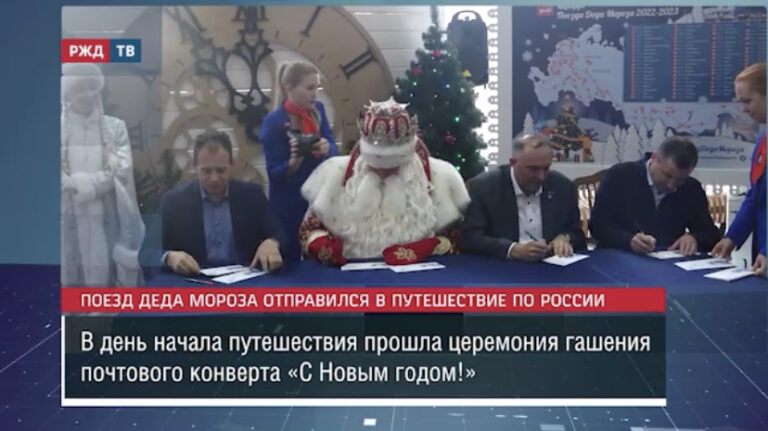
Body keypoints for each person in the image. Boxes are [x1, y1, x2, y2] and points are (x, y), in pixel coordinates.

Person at [299, 98, 470, 265]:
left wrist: (428, 247)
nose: (383, 172)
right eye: (375, 166)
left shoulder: (439, 177)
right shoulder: (335, 174)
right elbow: (309, 230)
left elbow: (457, 237)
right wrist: (321, 245)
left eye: (392, 167)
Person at [60, 63, 145, 286]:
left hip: (108, 218)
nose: (87, 94)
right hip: (67, 220)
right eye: (80, 88)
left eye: (92, 87)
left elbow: (122, 170)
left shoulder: (115, 128)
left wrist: (82, 185)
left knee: (107, 276)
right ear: (68, 93)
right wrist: (69, 184)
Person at [159, 130, 285, 275]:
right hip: (195, 279)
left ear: (232, 164)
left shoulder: (252, 195)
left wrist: (272, 242)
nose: (214, 178)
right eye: (206, 171)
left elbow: (279, 234)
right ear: (194, 166)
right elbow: (149, 252)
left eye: (221, 170)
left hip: (245, 278)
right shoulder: (173, 202)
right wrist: (169, 257)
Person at [460, 134, 585, 260]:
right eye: (533, 169)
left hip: (551, 266)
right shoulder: (484, 187)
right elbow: (470, 238)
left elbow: (577, 234)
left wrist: (565, 237)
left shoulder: (563, 187)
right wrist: (512, 249)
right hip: (502, 266)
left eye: (546, 168)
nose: (541, 177)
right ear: (513, 163)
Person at [259, 61, 338, 262]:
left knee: (321, 259)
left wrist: (327, 147)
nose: (315, 94)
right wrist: (292, 164)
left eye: (317, 88)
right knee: (291, 262)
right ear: (289, 88)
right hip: (289, 207)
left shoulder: (318, 111)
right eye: (310, 88)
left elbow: (332, 146)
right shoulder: (273, 123)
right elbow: (273, 173)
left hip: (318, 202)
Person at [589, 136, 721, 255]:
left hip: (668, 261)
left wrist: (694, 238)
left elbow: (711, 234)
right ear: (654, 158)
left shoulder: (691, 188)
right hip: (619, 256)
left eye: (680, 180)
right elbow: (598, 225)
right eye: (667, 175)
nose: (671, 185)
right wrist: (628, 240)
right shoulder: (619, 176)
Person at [711, 62, 766, 276]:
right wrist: (732, 237)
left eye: (747, 100)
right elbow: (756, 196)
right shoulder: (763, 142)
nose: (743, 109)